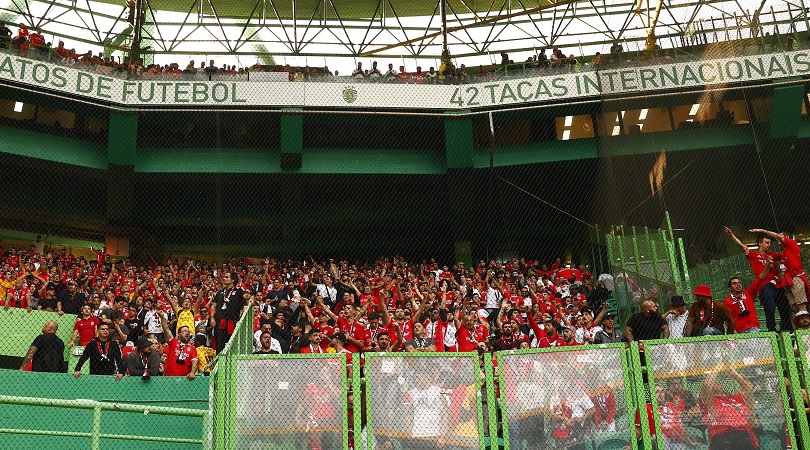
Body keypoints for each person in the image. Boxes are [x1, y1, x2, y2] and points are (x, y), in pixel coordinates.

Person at [725, 227, 791, 331]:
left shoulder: (773, 255)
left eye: (770, 243)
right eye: (766, 242)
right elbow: (742, 246)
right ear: (760, 243)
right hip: (765, 285)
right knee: (770, 307)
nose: (769, 245)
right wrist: (732, 236)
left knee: (784, 306)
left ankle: (788, 329)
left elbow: (787, 253)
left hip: (777, 284)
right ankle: (772, 330)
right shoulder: (754, 255)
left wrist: (792, 242)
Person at [699, 366, 759, 450]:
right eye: (714, 382)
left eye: (717, 382)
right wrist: (719, 366)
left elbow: (748, 387)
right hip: (722, 435)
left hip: (743, 434)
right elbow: (707, 386)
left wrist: (732, 372)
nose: (716, 382)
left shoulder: (733, 398)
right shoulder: (709, 400)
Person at [750, 228, 809, 313]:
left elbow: (791, 243)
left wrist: (762, 231)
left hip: (796, 277)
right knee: (794, 306)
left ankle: (805, 323)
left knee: (801, 304)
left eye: (780, 236)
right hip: (787, 280)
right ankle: (800, 322)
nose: (777, 238)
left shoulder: (791, 243)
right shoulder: (785, 250)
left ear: (787, 237)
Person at [723, 258, 772, 333]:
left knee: (754, 332)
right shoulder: (728, 301)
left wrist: (767, 267)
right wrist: (735, 333)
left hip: (753, 328)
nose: (738, 284)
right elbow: (728, 319)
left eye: (739, 282)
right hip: (740, 331)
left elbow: (759, 280)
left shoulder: (748, 293)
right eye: (734, 283)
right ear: (730, 288)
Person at [210, 271, 250, 352]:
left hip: (232, 322)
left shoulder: (239, 291)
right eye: (224, 276)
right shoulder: (220, 292)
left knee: (232, 346)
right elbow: (214, 305)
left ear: (232, 280)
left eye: (227, 277)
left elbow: (247, 297)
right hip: (220, 322)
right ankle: (220, 363)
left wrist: (249, 296)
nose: (224, 278)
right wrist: (212, 318)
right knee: (220, 346)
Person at [159, 311, 198, 380]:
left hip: (184, 380)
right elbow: (166, 330)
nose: (187, 333)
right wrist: (162, 317)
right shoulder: (173, 342)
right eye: (184, 331)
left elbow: (194, 361)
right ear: (179, 334)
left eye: (188, 332)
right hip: (169, 378)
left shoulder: (192, 348)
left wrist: (192, 373)